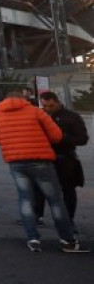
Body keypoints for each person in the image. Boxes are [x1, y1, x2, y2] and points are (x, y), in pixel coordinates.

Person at [0, 92, 88, 253]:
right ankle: (67, 240)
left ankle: (33, 238)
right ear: (24, 99)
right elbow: (56, 136)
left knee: (25, 199)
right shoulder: (36, 112)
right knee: (55, 200)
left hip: (15, 162)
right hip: (40, 160)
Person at [34, 91, 89, 231]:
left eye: (51, 105)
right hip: (45, 157)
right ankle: (37, 216)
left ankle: (69, 220)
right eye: (45, 106)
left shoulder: (71, 117)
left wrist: (61, 137)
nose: (48, 109)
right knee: (40, 188)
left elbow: (83, 139)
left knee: (68, 190)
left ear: (57, 102)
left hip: (65, 158)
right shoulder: (40, 116)